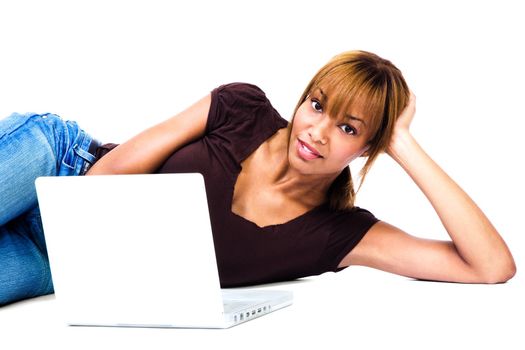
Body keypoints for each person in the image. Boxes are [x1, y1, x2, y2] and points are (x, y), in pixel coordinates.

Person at [0, 50, 516, 306]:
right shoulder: (240, 107)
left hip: (66, 267)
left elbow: (490, 267)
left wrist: (401, 143)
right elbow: (106, 176)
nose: (316, 130)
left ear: (367, 147)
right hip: (63, 165)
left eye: (348, 127)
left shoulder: (336, 234)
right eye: (317, 105)